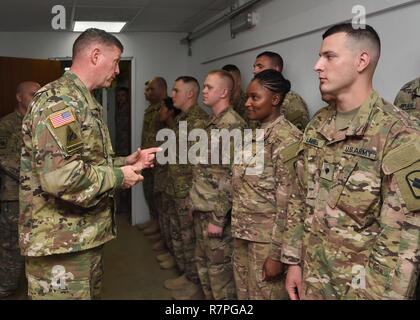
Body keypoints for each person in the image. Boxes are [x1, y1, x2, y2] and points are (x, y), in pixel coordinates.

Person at [281, 23, 420, 300]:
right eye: (320, 56)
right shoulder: (318, 124)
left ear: (361, 61)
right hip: (311, 279)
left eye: (329, 56)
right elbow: (299, 197)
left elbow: (403, 241)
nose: (317, 65)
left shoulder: (399, 134)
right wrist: (293, 261)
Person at [20, 28, 159, 300]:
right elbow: (61, 176)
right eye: (116, 61)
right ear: (96, 55)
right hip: (59, 245)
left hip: (79, 238)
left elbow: (81, 162)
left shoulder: (81, 101)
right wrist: (120, 177)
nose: (118, 70)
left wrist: (125, 162)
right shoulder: (59, 103)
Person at [232, 70, 301, 300]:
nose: (248, 103)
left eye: (255, 97)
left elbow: (290, 203)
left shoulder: (286, 139)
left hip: (266, 242)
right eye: (247, 97)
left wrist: (277, 254)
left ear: (275, 99)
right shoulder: (256, 133)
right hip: (244, 233)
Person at [188, 70, 245, 300]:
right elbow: (204, 170)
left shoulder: (233, 126)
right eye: (204, 86)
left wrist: (218, 218)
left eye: (209, 87)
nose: (204, 91)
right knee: (204, 270)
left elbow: (233, 177)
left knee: (220, 279)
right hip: (202, 208)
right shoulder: (212, 123)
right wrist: (193, 200)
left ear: (223, 92)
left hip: (216, 214)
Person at [165, 76, 209, 300]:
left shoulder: (199, 121)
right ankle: (186, 275)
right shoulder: (182, 118)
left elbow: (200, 165)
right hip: (176, 187)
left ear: (190, 94)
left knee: (191, 240)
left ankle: (194, 283)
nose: (173, 95)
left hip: (188, 191)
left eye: (176, 90)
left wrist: (193, 196)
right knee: (181, 236)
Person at [0, 81, 40, 298]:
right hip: (14, 197)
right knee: (12, 246)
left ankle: (34, 286)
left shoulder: (41, 123)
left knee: (38, 243)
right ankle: (7, 285)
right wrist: (42, 176)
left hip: (41, 198)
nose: (37, 98)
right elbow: (6, 160)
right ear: (19, 97)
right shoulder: (5, 126)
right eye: (33, 94)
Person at [139, 77, 168, 239]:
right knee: (149, 190)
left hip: (160, 161)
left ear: (161, 89)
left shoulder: (166, 109)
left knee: (159, 196)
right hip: (149, 158)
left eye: (151, 89)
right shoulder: (152, 109)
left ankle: (160, 228)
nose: (147, 92)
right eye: (147, 89)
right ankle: (154, 221)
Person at [253, 51, 310, 131]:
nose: (254, 71)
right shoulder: (253, 99)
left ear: (276, 69)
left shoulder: (292, 101)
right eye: (254, 67)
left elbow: (298, 138)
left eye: (260, 67)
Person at [155, 97, 181, 270]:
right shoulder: (169, 129)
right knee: (168, 219)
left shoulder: (181, 127)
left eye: (163, 108)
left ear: (170, 111)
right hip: (168, 180)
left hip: (178, 185)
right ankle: (172, 253)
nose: (160, 112)